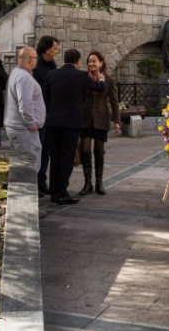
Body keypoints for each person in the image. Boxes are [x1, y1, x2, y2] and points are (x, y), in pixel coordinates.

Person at [44, 49, 106, 205]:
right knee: (66, 158)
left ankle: (54, 192)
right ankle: (62, 192)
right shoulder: (80, 76)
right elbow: (98, 88)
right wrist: (102, 80)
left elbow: (45, 96)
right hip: (71, 124)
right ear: (78, 62)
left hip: (53, 122)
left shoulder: (52, 75)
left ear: (65, 59)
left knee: (55, 158)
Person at [79, 51, 120, 196]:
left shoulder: (108, 80)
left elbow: (114, 101)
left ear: (101, 63)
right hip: (85, 118)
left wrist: (116, 120)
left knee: (98, 150)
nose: (91, 64)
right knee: (84, 150)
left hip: (101, 118)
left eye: (94, 61)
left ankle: (99, 183)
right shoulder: (83, 78)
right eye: (89, 61)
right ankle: (87, 183)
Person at [4, 47, 45, 172]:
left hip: (19, 127)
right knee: (28, 167)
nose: (37, 60)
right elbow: (25, 104)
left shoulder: (16, 72)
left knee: (22, 165)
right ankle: (26, 191)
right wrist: (31, 123)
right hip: (23, 129)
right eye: (36, 58)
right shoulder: (24, 77)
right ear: (31, 60)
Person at [33, 36, 59, 195]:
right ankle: (35, 182)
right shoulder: (36, 65)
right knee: (38, 148)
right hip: (38, 114)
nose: (56, 51)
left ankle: (42, 181)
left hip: (50, 112)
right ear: (46, 49)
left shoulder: (53, 64)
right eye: (54, 48)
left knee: (47, 150)